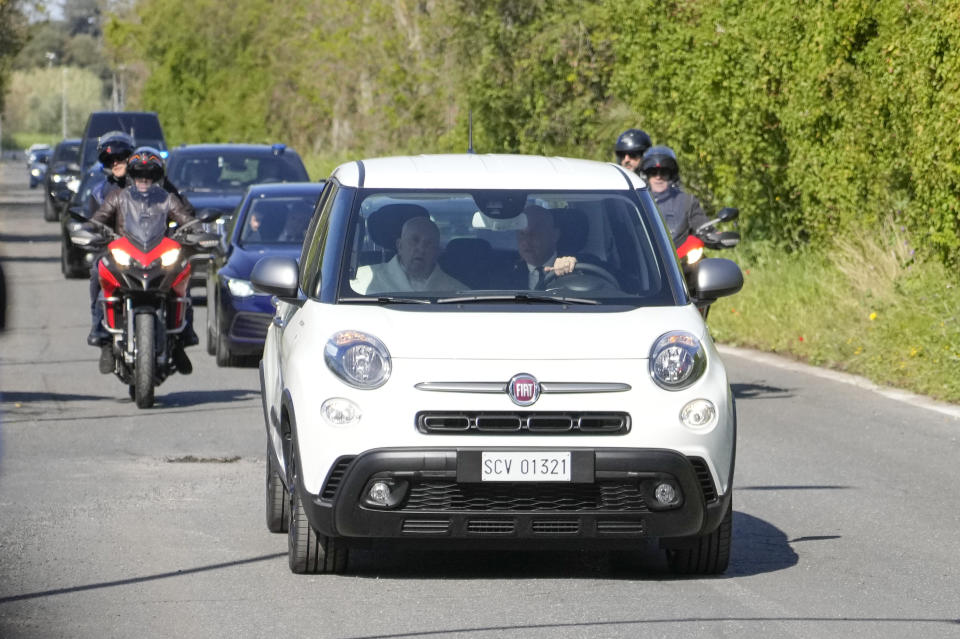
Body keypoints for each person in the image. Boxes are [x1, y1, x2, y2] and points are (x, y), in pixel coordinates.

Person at [89, 147, 199, 374]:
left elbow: (187, 218)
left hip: (158, 255)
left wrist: (196, 232)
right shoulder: (117, 196)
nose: (143, 180)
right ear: (131, 177)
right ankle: (105, 341)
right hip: (125, 253)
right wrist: (89, 231)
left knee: (183, 278)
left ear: (158, 178)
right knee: (99, 275)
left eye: (149, 176)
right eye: (139, 175)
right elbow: (97, 220)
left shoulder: (167, 199)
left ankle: (181, 339)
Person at [352, 216, 465, 294]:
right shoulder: (361, 281)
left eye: (429, 243)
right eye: (415, 240)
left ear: (437, 252)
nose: (421, 249)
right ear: (400, 246)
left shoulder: (458, 292)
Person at [641, 145, 711, 246]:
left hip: (682, 257)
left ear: (672, 175)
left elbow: (702, 225)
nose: (658, 177)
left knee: (704, 261)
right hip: (646, 257)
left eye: (664, 172)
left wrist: (715, 235)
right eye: (653, 172)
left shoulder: (687, 201)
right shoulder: (637, 202)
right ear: (646, 176)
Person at [507, 205, 578, 289]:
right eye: (522, 234)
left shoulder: (576, 265)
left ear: (555, 235)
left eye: (534, 234)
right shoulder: (505, 272)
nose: (525, 242)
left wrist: (572, 266)